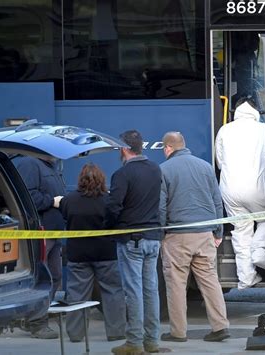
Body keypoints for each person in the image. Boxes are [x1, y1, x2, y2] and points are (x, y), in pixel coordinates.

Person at [159, 132, 230, 343]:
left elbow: (161, 206)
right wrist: (218, 231)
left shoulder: (163, 170)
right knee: (210, 281)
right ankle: (220, 326)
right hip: (205, 234)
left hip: (177, 235)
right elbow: (217, 201)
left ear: (168, 148)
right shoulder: (205, 167)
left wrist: (161, 233)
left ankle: (178, 332)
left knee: (176, 284)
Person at [105, 130, 163, 355]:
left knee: (133, 291)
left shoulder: (122, 174)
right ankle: (152, 341)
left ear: (123, 149)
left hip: (131, 240)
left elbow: (113, 206)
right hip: (152, 237)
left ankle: (135, 343)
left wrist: (109, 226)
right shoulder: (155, 169)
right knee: (151, 290)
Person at [57, 163, 126, 343]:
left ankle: (75, 334)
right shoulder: (108, 200)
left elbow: (65, 216)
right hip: (106, 252)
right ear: (102, 180)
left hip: (78, 254)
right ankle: (116, 331)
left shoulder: (69, 200)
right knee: (112, 292)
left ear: (80, 180)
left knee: (77, 293)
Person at [215, 98, 265, 290]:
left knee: (241, 232)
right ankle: (259, 254)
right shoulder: (263, 130)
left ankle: (246, 278)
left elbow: (220, 162)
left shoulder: (224, 130)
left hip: (229, 189)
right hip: (257, 188)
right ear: (256, 112)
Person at [12, 155, 65, 339]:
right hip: (41, 231)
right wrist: (52, 201)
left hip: (53, 232)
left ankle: (35, 317)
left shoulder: (49, 165)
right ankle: (36, 322)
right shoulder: (30, 164)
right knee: (42, 277)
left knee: (55, 276)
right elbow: (28, 197)